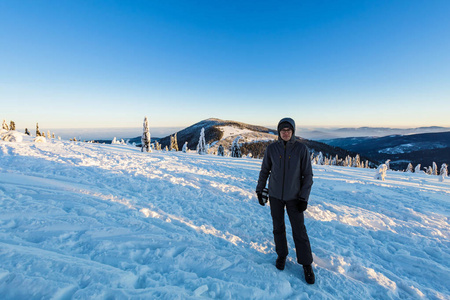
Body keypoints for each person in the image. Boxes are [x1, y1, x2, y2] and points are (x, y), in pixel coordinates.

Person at [256, 117, 315, 284]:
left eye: (288, 130)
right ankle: (281, 255)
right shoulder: (272, 149)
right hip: (275, 196)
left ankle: (306, 264)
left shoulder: (301, 149)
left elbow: (308, 176)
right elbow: (264, 170)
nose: (286, 133)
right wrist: (260, 190)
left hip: (294, 197)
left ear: (293, 131)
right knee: (278, 227)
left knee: (299, 230)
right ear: (279, 132)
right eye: (283, 130)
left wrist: (304, 198)